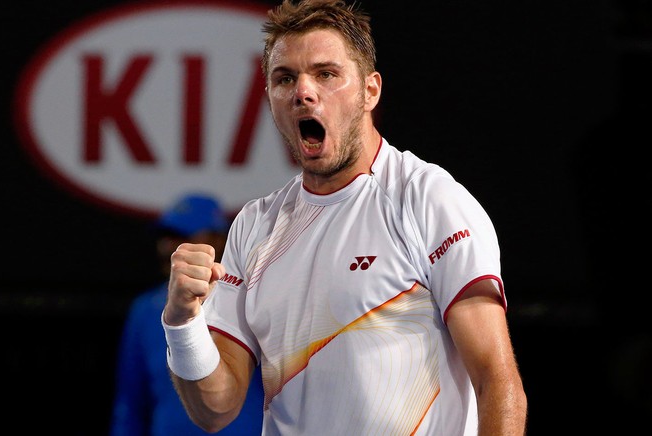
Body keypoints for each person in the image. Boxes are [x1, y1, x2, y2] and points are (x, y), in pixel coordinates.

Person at [162, 1, 528, 435]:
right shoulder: (254, 226)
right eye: (285, 78)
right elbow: (216, 408)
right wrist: (182, 322)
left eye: (326, 74)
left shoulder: (428, 199)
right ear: (271, 98)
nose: (303, 91)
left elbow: (497, 382)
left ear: (370, 91)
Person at [110, 194, 264, 436]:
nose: (168, 248)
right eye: (165, 237)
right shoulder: (145, 308)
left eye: (182, 237)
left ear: (218, 239)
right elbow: (130, 403)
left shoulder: (256, 298)